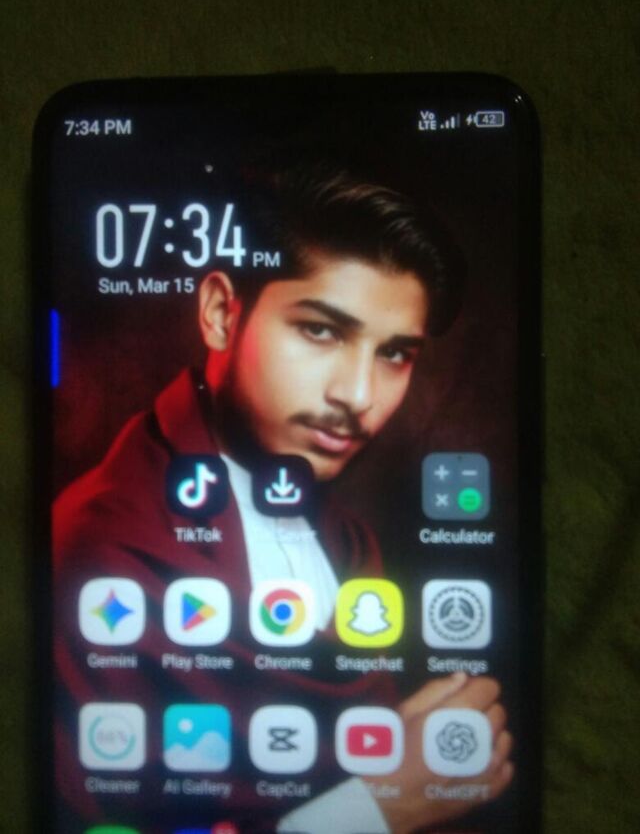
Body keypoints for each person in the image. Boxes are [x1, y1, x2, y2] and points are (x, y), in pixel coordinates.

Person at [54, 164, 513, 833]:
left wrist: (394, 747)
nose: (358, 395)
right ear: (221, 314)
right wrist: (378, 806)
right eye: (321, 330)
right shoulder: (99, 544)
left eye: (394, 353)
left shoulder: (345, 540)